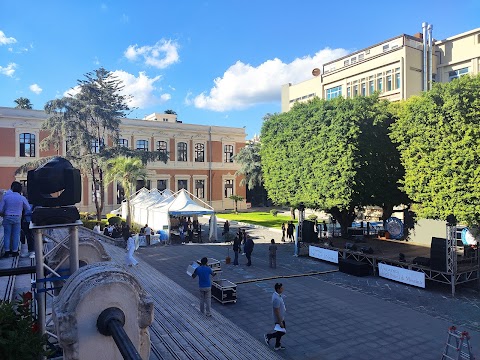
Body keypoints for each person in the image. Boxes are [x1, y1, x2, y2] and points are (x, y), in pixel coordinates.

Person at [0, 182, 30, 257]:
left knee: (7, 234)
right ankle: (15, 251)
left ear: (12, 188)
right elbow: (28, 208)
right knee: (16, 234)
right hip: (17, 217)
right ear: (20, 190)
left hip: (7, 217)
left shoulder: (6, 197)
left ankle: (7, 251)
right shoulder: (21, 198)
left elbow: (1, 209)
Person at [264, 283, 287, 351]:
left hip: (281, 317)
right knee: (282, 331)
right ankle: (269, 336)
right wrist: (280, 322)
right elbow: (276, 311)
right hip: (278, 319)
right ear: (278, 289)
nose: (283, 289)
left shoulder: (276, 295)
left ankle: (277, 345)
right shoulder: (276, 298)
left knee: (280, 332)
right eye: (281, 288)